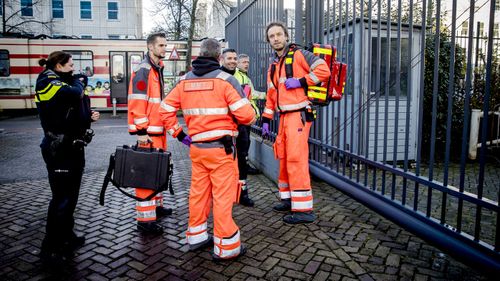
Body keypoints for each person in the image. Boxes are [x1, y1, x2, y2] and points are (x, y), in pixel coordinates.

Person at [159, 38, 256, 260]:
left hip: (197, 149)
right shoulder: (227, 80)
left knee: (199, 194)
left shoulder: (183, 81)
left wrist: (180, 135)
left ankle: (197, 236)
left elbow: (164, 110)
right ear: (218, 57)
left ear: (199, 54)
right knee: (222, 196)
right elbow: (247, 116)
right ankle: (226, 247)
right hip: (221, 150)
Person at [261, 22, 330, 224]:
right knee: (283, 157)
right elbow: (272, 93)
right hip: (284, 118)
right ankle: (288, 199)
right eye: (272, 36)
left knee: (296, 160)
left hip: (298, 115)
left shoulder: (300, 55)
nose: (276, 38)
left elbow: (323, 70)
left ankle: (303, 210)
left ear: (286, 36)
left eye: (279, 34)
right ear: (269, 40)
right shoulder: (274, 65)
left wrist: (301, 81)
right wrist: (266, 118)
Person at [35, 51, 100, 264]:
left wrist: (89, 115)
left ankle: (66, 237)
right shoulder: (46, 81)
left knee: (71, 197)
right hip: (58, 149)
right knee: (61, 199)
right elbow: (72, 94)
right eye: (71, 65)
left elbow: (74, 106)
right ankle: (50, 248)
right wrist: (79, 83)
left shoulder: (65, 81)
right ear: (59, 65)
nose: (74, 68)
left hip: (74, 147)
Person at [127, 32, 172, 234]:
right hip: (149, 133)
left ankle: (157, 207)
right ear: (150, 47)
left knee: (159, 171)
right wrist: (141, 131)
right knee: (146, 176)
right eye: (161, 45)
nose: (164, 49)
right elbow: (137, 103)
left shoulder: (156, 69)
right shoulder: (144, 71)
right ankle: (145, 222)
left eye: (165, 45)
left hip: (158, 131)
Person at [220, 49, 255, 207]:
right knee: (225, 163)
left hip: (241, 126)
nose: (232, 61)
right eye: (229, 58)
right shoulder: (218, 77)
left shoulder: (241, 77)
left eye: (235, 58)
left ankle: (242, 193)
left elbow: (246, 101)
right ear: (222, 59)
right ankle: (226, 194)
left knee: (242, 160)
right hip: (224, 127)